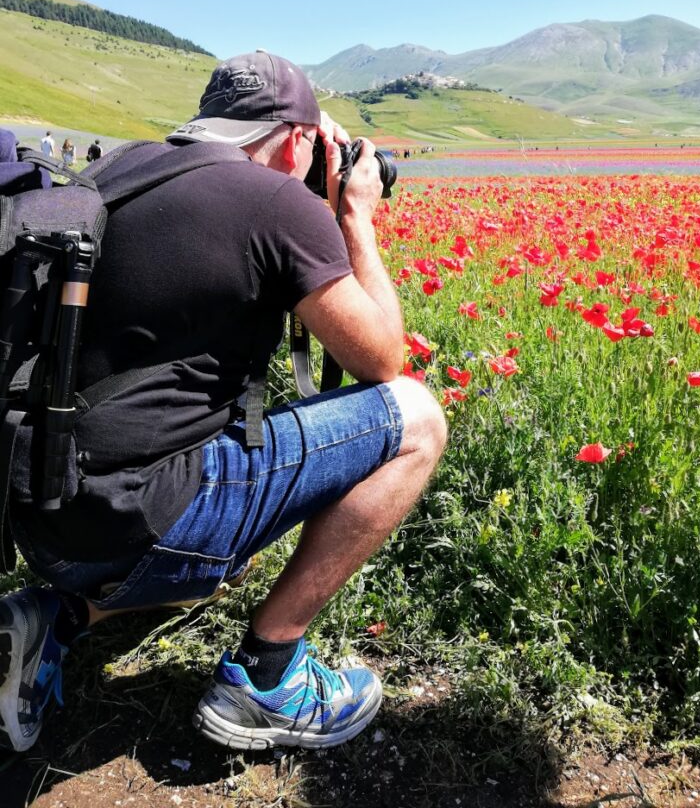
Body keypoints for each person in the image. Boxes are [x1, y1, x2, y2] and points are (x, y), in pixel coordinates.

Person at [0, 51, 446, 754]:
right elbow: (384, 359)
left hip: (39, 516)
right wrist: (354, 215)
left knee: (201, 478)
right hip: (146, 523)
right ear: (299, 140)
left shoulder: (116, 170)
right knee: (418, 418)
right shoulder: (274, 202)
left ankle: (51, 616)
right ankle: (267, 680)